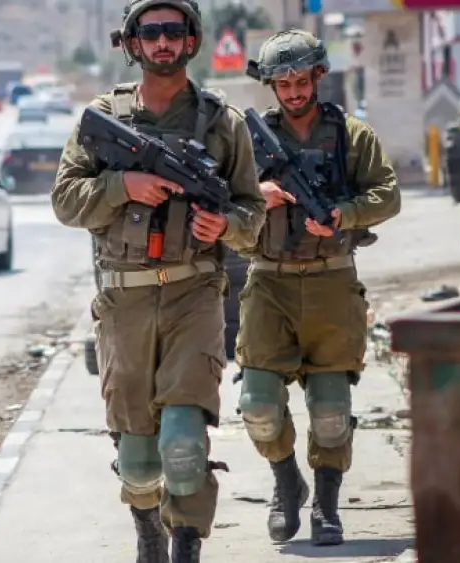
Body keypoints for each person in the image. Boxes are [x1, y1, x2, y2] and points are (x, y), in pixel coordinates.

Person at [51, 1, 265, 561]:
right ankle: (147, 526)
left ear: (192, 41)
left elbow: (252, 214)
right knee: (141, 458)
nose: (164, 42)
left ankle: (186, 543)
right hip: (124, 299)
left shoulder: (224, 124)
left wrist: (227, 224)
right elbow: (66, 202)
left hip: (195, 293)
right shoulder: (105, 118)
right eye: (152, 33)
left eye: (174, 32)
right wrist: (125, 186)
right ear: (132, 43)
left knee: (184, 444)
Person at [237, 29, 401, 547]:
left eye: (300, 80)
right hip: (268, 284)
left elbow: (388, 196)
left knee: (330, 413)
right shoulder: (250, 141)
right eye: (281, 83)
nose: (292, 92)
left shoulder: (353, 135)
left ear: (318, 76)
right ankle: (287, 482)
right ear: (270, 86)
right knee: (258, 405)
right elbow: (222, 206)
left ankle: (326, 506)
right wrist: (258, 195)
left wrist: (344, 214)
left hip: (332, 283)